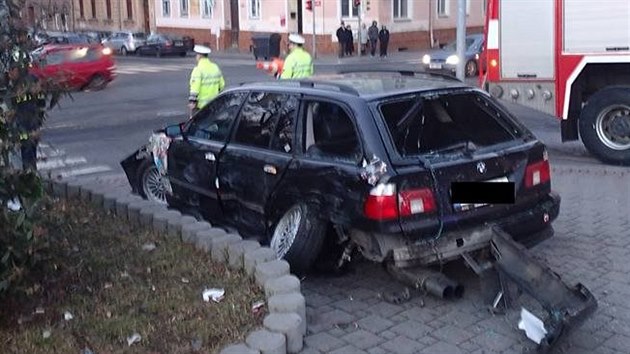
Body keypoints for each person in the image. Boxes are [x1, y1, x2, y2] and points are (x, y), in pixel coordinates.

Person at [4, 56, 46, 171]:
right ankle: (29, 173)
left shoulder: (30, 81)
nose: (10, 75)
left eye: (12, 72)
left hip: (31, 121)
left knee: (30, 150)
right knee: (25, 149)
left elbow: (41, 101)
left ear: (17, 71)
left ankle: (30, 174)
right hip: (21, 123)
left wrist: (39, 122)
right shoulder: (11, 86)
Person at [188, 44, 225, 116]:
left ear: (199, 56)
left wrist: (192, 102)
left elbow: (195, 88)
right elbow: (222, 85)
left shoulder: (198, 69)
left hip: (201, 107)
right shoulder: (215, 67)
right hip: (214, 104)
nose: (196, 57)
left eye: (197, 55)